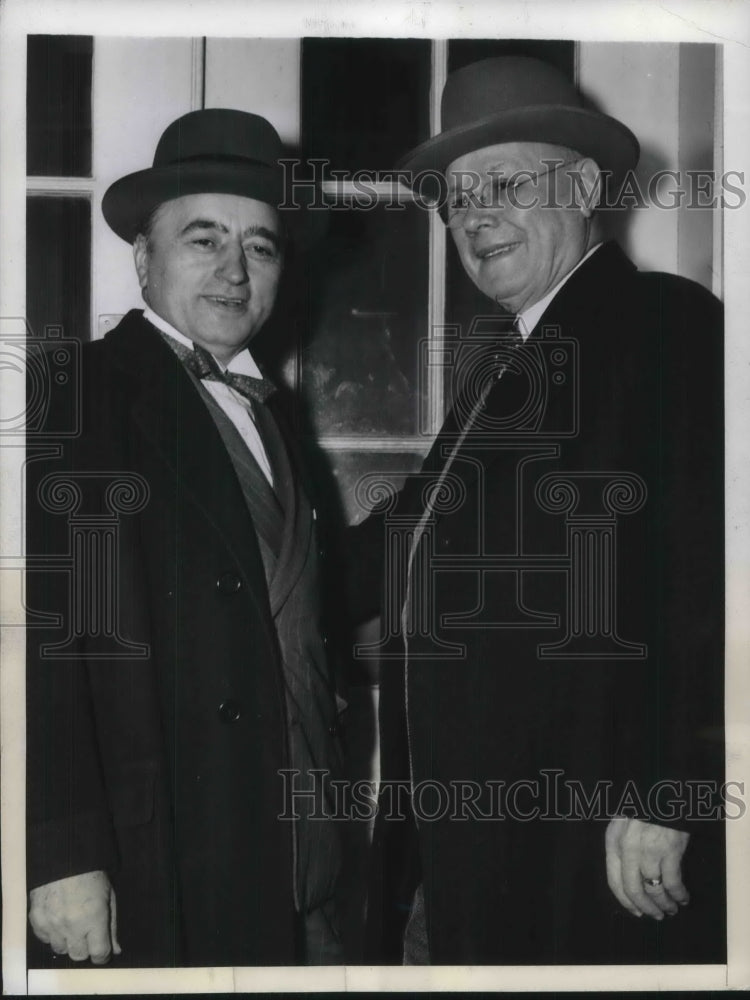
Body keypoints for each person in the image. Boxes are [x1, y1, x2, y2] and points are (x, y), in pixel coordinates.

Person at [357, 56, 725, 964]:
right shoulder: (510, 364)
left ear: (587, 185)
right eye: (453, 199)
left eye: (504, 183)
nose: (472, 216)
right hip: (471, 845)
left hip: (592, 845)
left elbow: (707, 575)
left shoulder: (663, 324)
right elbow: (407, 533)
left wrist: (670, 791)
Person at [25, 109, 344, 967]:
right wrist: (61, 853)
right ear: (143, 257)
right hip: (160, 843)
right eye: (204, 239)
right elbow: (52, 635)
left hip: (296, 841)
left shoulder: (275, 414)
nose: (236, 271)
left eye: (262, 246)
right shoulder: (85, 393)